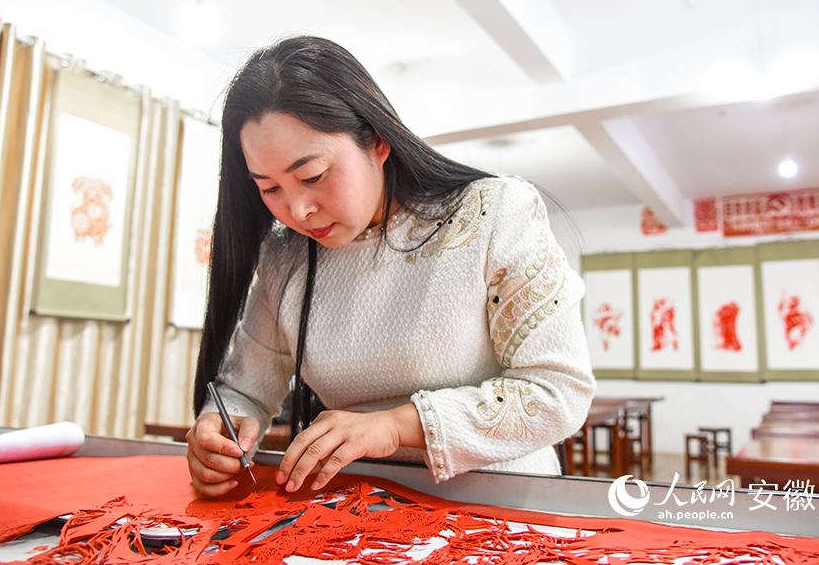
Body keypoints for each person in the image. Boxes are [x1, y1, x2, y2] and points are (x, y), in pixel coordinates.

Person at [185, 35, 595, 497]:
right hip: (358, 509)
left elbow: (556, 393)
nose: (298, 211)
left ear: (377, 141)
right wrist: (220, 430)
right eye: (269, 188)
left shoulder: (492, 214)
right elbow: (243, 391)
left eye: (313, 176)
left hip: (501, 504)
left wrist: (396, 426)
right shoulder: (285, 257)